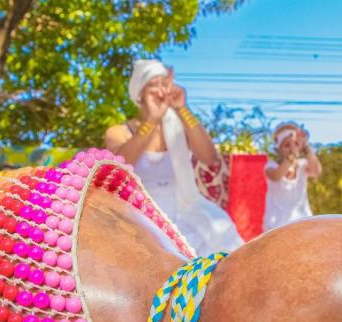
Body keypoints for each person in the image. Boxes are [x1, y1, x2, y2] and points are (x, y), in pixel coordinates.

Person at [104, 59, 243, 256]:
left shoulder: (177, 129)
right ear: (139, 93)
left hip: (186, 209)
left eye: (165, 84)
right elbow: (118, 165)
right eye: (153, 84)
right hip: (141, 215)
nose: (161, 90)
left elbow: (210, 158)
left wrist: (182, 108)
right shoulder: (119, 131)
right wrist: (152, 120)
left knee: (224, 238)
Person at [263, 122, 322, 231]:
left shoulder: (303, 165)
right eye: (287, 145)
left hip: (302, 223)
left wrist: (306, 147)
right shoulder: (271, 166)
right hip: (275, 226)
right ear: (278, 148)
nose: (292, 148)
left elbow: (316, 171)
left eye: (295, 144)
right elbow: (276, 175)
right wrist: (291, 157)